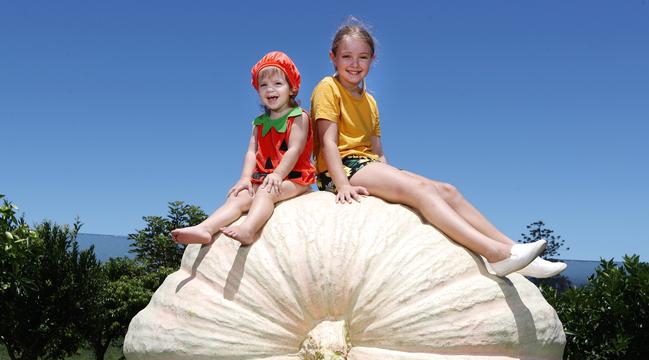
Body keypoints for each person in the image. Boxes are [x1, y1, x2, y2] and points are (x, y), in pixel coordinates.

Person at [310, 22, 566, 278]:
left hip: (367, 165)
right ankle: (494, 253)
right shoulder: (328, 88)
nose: (354, 64)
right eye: (347, 57)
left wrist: (395, 181)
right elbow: (329, 142)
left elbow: (377, 151)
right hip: (340, 168)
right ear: (333, 58)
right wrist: (342, 185)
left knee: (447, 191)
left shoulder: (370, 101)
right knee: (421, 191)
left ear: (372, 59)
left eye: (362, 57)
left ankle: (516, 253)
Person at [172, 51, 315, 246]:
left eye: (278, 84)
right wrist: (245, 178)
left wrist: (278, 174)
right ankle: (205, 228)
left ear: (292, 88)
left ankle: (249, 229)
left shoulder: (298, 116)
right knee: (238, 197)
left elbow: (294, 150)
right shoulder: (259, 123)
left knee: (265, 193)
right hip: (264, 176)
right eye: (263, 85)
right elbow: (251, 152)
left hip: (295, 178)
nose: (270, 89)